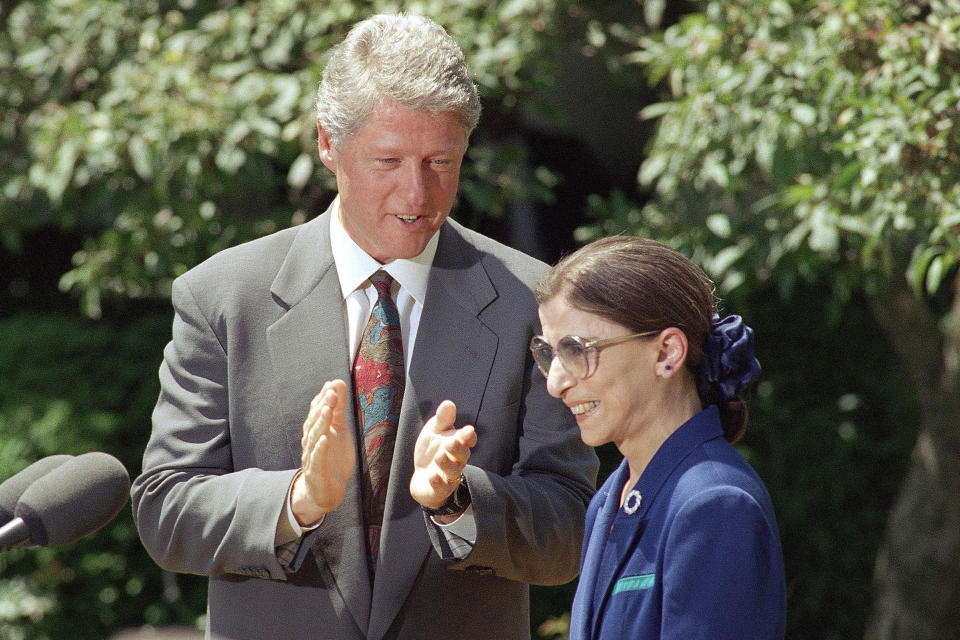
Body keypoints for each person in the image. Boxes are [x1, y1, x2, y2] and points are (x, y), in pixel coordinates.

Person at [130, 13, 597, 640]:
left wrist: (461, 503)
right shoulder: (222, 298)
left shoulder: (530, 303)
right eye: (388, 161)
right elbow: (165, 509)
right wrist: (298, 500)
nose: (417, 193)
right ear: (328, 144)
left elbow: (569, 530)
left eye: (441, 161)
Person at [531, 236, 786, 639]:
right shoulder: (607, 501)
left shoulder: (715, 503)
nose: (556, 382)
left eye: (576, 350)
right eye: (548, 355)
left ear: (667, 352)